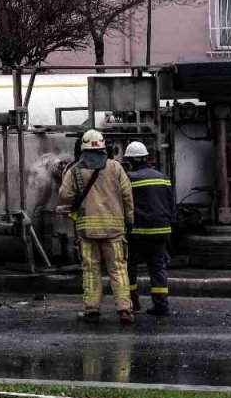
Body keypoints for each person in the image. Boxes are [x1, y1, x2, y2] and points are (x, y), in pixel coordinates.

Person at [59, 129, 135, 324]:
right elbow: (127, 196)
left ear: (82, 148)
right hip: (114, 231)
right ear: (104, 147)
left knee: (91, 271)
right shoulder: (116, 168)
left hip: (87, 232)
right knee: (118, 270)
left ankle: (92, 310)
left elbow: (65, 195)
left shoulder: (75, 170)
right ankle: (125, 309)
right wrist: (130, 220)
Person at [122, 141, 176, 317]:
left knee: (131, 266)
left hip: (137, 232)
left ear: (130, 160)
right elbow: (171, 205)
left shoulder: (128, 178)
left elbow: (124, 205)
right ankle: (161, 306)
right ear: (146, 158)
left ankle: (132, 303)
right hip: (161, 230)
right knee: (157, 267)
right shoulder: (163, 178)